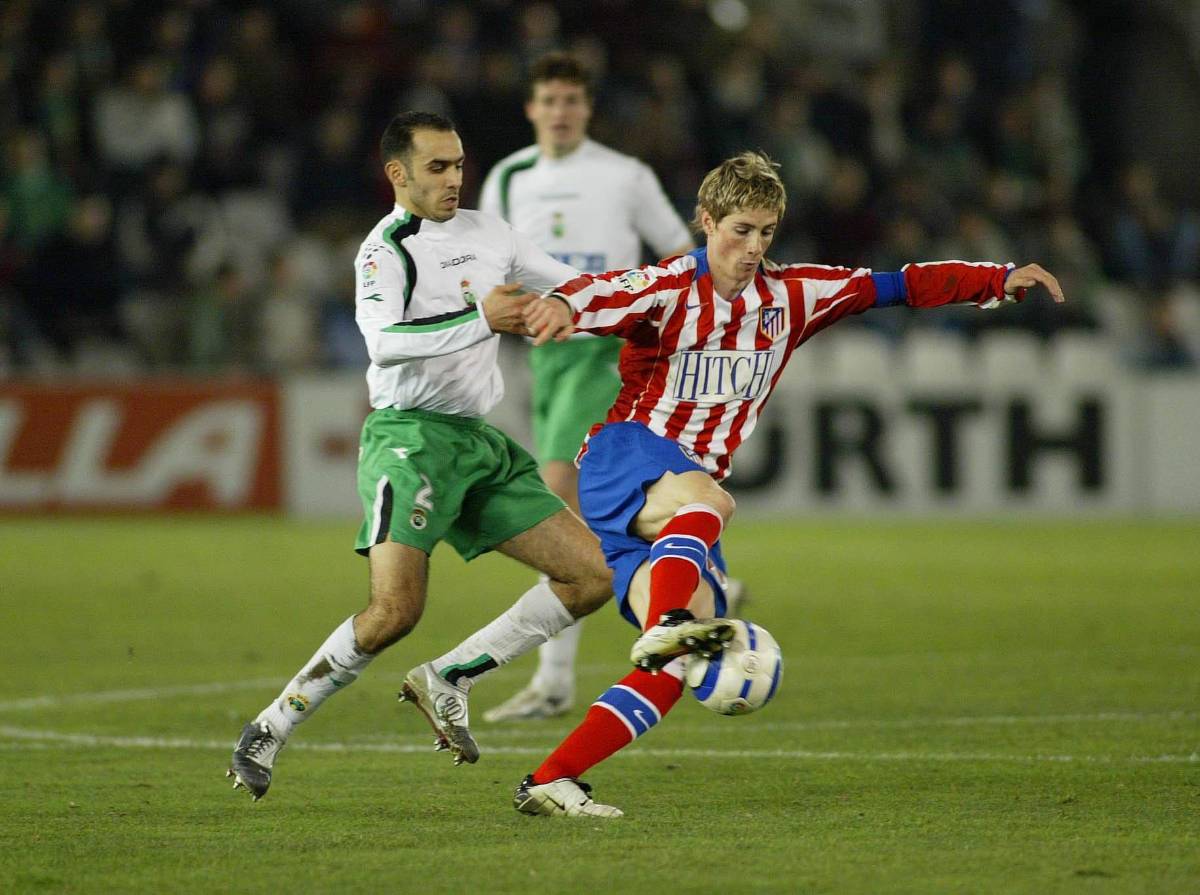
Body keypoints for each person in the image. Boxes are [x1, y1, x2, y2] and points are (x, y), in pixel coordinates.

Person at [502, 150, 1065, 817]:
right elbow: (601, 292)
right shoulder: (668, 286)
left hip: (678, 504)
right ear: (706, 221)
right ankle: (672, 620)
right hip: (626, 458)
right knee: (713, 507)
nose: (752, 246)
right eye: (740, 229)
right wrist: (563, 307)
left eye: (766, 232)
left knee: (678, 664)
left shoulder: (794, 295)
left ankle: (551, 778)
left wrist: (995, 278)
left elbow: (898, 284)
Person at [227, 111, 615, 800]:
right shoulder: (385, 250)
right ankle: (270, 726)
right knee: (394, 610)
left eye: (459, 164)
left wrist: (663, 294)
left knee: (590, 576)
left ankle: (450, 676)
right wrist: (480, 320)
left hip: (477, 441)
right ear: (398, 175)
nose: (454, 179)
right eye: (437, 167)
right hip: (409, 438)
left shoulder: (488, 232)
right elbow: (386, 343)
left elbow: (572, 284)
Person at [477, 52, 695, 723]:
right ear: (531, 108)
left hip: (604, 348)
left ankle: (554, 676)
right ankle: (689, 577)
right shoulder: (509, 177)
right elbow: (485, 262)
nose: (561, 111)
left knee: (555, 498)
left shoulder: (625, 175)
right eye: (550, 100)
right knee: (597, 506)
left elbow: (679, 250)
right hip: (545, 354)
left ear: (588, 107)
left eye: (572, 99)